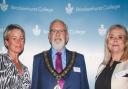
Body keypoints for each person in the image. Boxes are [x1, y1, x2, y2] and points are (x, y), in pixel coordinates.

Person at [32, 19, 89, 89]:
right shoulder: (38, 59)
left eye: (61, 31)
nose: (57, 34)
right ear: (49, 36)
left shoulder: (79, 59)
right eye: (54, 31)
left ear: (67, 36)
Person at [95, 24, 128, 89]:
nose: (115, 40)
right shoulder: (102, 66)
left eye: (120, 37)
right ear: (107, 42)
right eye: (111, 37)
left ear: (126, 42)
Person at [0, 24, 31, 89]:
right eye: (14, 38)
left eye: (21, 38)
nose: (19, 42)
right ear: (6, 42)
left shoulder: (25, 70)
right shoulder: (1, 60)